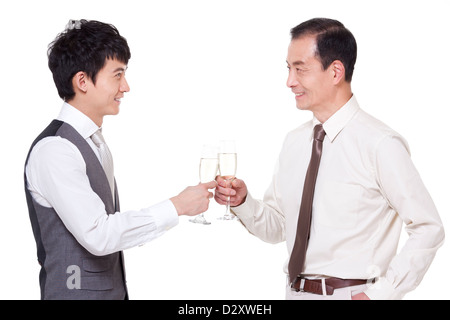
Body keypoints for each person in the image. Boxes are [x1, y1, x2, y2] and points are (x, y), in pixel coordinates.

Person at [214, 18, 444, 300]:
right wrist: (243, 202)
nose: (290, 81)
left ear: (336, 71)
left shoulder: (380, 144)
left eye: (300, 69)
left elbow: (428, 227)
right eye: (289, 69)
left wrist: (382, 293)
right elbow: (280, 228)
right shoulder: (294, 142)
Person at [24, 19, 216, 300]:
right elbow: (99, 235)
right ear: (82, 81)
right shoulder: (56, 149)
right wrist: (176, 206)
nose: (125, 87)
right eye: (117, 75)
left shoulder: (93, 141)